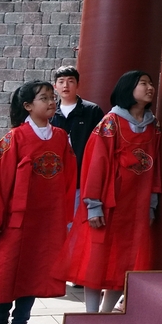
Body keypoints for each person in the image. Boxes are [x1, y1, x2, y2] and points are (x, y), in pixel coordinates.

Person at [0, 80, 76, 324]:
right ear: (28, 106)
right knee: (7, 269)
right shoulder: (15, 138)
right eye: (44, 98)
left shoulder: (60, 137)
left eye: (52, 97)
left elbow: (68, 179)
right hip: (16, 220)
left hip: (46, 220)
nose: (51, 102)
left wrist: (64, 217)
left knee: (35, 270)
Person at [55, 71, 161, 314]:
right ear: (127, 89)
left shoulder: (153, 127)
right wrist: (93, 204)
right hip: (108, 203)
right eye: (143, 83)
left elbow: (156, 168)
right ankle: (91, 312)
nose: (150, 87)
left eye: (151, 83)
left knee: (125, 257)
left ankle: (106, 312)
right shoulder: (110, 123)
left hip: (136, 204)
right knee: (97, 256)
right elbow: (95, 165)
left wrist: (152, 203)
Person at [50, 65, 105, 217]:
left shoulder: (92, 111)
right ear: (55, 86)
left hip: (82, 179)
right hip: (55, 179)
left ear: (78, 84)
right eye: (61, 82)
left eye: (70, 81)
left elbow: (100, 146)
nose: (65, 86)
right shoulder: (50, 112)